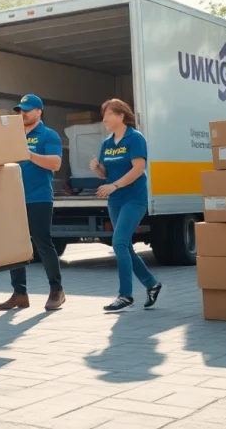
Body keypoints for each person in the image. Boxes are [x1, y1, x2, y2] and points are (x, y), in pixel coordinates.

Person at [90, 98, 163, 313]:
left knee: (119, 242)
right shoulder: (107, 143)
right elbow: (105, 173)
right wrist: (97, 169)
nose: (104, 119)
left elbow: (138, 169)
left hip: (134, 198)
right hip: (116, 200)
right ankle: (152, 284)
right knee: (124, 246)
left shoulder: (135, 138)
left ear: (121, 115)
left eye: (108, 115)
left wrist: (114, 185)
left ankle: (125, 296)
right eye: (103, 115)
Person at [0, 94, 66, 312]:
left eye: (27, 110)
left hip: (38, 198)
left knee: (42, 243)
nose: (22, 113)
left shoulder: (48, 135)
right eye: (20, 110)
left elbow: (55, 163)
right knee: (15, 246)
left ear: (39, 112)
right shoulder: (13, 135)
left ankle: (57, 291)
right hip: (14, 198)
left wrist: (28, 154)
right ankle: (19, 294)